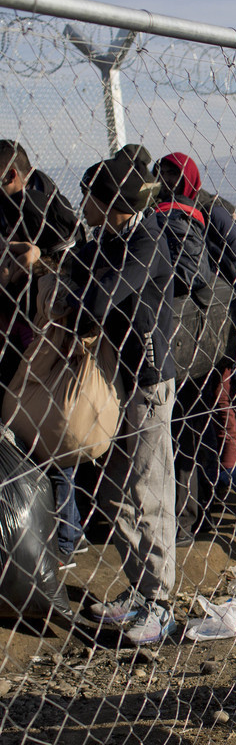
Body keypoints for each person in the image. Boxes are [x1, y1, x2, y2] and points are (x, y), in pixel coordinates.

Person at [65, 149, 178, 645]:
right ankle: (140, 587)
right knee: (115, 491)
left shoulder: (146, 241)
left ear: (109, 202)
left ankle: (159, 603)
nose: (81, 205)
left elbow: (97, 299)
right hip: (120, 379)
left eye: (88, 197)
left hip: (147, 381)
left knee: (148, 490)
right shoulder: (114, 237)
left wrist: (77, 277)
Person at [153, 151, 236, 543]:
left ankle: (190, 516)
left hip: (183, 332)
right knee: (206, 421)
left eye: (171, 175)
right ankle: (207, 509)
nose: (168, 181)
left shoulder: (164, 215)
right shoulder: (212, 208)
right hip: (213, 331)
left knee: (187, 429)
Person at [0, 140, 83, 557]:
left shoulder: (49, 206)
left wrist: (36, 260)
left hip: (45, 335)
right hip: (20, 330)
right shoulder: (23, 202)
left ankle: (66, 536)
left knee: (51, 434)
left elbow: (72, 269)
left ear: (12, 176)